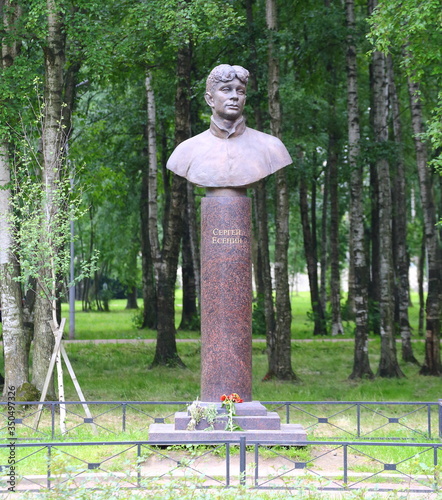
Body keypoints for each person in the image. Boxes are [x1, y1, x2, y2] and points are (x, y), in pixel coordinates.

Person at [166, 64, 292, 188]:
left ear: (245, 100)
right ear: (210, 99)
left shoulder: (271, 147)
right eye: (226, 90)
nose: (234, 96)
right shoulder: (186, 151)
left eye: (240, 91)